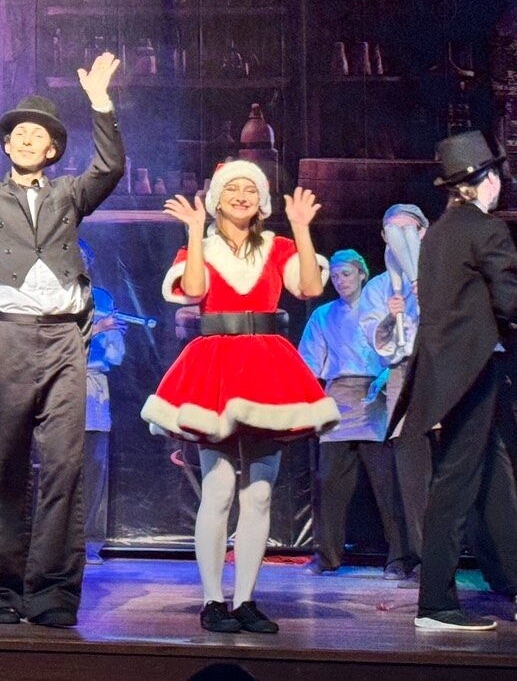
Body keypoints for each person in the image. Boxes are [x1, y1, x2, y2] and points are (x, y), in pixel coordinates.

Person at [0, 52, 124, 628]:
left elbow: (109, 168)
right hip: (6, 340)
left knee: (63, 468)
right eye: (18, 133)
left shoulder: (69, 196)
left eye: (39, 134)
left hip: (63, 341)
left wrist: (100, 101)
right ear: (7, 146)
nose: (28, 138)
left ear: (53, 149)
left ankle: (54, 593)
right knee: (3, 467)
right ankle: (4, 591)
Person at [143, 160, 336, 636]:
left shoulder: (278, 245)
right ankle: (213, 599)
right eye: (233, 188)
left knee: (261, 492)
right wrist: (194, 232)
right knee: (218, 489)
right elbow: (193, 291)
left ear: (263, 200)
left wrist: (301, 228)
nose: (242, 195)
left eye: (251, 188)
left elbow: (309, 287)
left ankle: (246, 599)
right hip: (216, 366)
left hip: (267, 366)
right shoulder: (202, 245)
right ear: (217, 198)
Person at [387, 131, 517, 632]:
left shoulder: (440, 232)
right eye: (497, 175)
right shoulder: (486, 229)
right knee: (456, 485)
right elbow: (509, 301)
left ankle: (510, 581)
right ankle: (436, 604)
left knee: (493, 478)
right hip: (474, 369)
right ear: (486, 180)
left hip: (451, 372)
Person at [298, 249, 408, 577]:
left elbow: (400, 350)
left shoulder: (379, 308)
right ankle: (327, 556)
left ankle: (399, 558)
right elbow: (308, 363)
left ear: (362, 274)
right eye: (334, 276)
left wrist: (386, 379)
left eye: (346, 273)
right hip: (338, 398)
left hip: (377, 395)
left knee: (387, 484)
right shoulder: (323, 315)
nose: (340, 280)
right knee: (329, 483)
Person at [362, 203, 430, 582]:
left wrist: (429, 296)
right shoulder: (377, 287)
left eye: (408, 229)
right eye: (393, 231)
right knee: (409, 474)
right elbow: (376, 341)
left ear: (423, 232)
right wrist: (392, 315)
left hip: (440, 373)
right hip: (403, 376)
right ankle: (413, 555)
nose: (401, 237)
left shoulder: (441, 273)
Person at [80, 240, 126, 565]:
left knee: (94, 469)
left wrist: (113, 335)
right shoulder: (50, 296)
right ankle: (54, 545)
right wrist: (97, 328)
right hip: (60, 386)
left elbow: (116, 356)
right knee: (59, 471)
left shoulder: (102, 298)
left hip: (94, 389)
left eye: (83, 257)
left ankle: (88, 543)